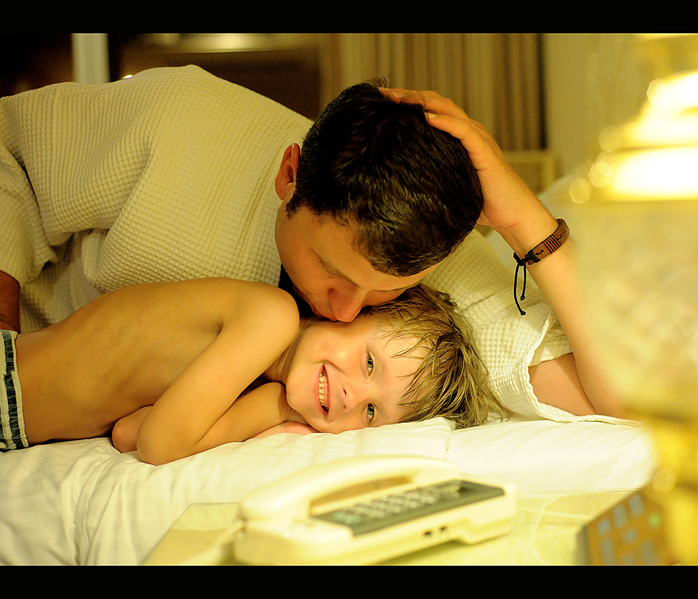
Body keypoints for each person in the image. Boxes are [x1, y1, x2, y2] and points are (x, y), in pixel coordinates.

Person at [0, 65, 624, 422]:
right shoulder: (178, 118)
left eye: (385, 293)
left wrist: (525, 220)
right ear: (289, 175)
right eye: (331, 271)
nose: (346, 312)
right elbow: (13, 155)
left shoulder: (437, 264)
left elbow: (623, 400)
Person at [2, 278, 499, 464]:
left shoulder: (257, 369)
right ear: (347, 312)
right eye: (369, 362)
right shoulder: (270, 317)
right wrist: (278, 411)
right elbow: (159, 446)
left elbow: (129, 433)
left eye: (372, 412)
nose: (352, 395)